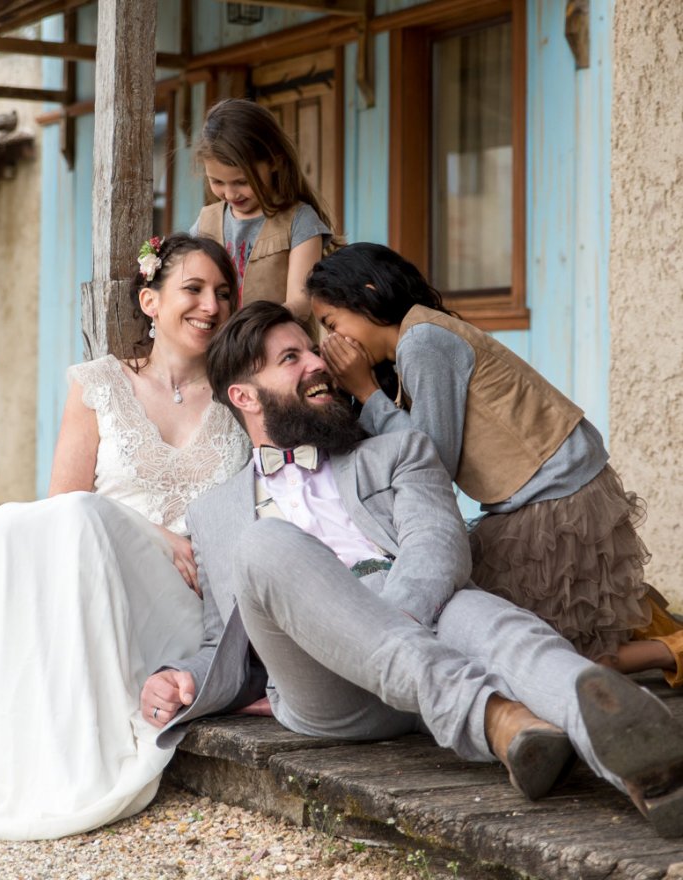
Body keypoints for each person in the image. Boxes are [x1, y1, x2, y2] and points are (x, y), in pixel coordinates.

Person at [140, 301, 683, 838]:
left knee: (499, 626)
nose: (318, 363)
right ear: (244, 396)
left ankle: (645, 762)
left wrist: (388, 625)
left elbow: (437, 547)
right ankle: (491, 716)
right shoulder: (214, 513)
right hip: (329, 690)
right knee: (264, 543)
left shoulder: (397, 451)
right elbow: (222, 639)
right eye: (291, 358)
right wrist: (180, 675)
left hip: (420, 615)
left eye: (312, 350)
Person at [0, 234, 251, 841]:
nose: (211, 305)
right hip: (103, 584)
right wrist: (152, 532)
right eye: (193, 289)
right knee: (16, 524)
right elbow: (63, 507)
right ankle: (43, 749)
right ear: (150, 301)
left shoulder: (240, 397)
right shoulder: (98, 384)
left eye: (223, 293)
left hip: (191, 601)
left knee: (72, 520)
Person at [304, 242, 683, 683]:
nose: (332, 341)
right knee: (541, 637)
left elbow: (432, 463)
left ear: (366, 293)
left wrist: (367, 391)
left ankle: (663, 648)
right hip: (542, 494)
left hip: (556, 500)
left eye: (332, 323)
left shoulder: (423, 340)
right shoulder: (417, 340)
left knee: (555, 653)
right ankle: (654, 627)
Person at [189, 98, 334, 319]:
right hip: (216, 348)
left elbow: (301, 303)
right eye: (217, 182)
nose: (230, 194)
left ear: (274, 161)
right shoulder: (206, 221)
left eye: (242, 182)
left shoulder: (300, 221)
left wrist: (255, 327)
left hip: (276, 345)